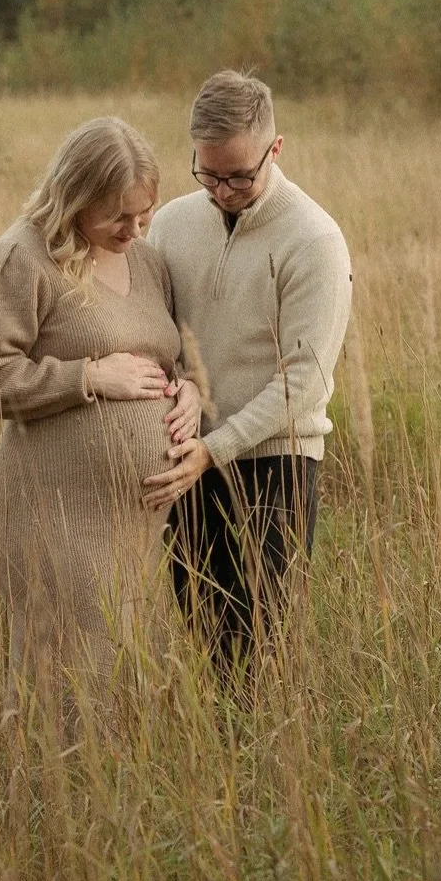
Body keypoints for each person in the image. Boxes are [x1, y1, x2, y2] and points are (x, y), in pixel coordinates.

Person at [0, 116, 201, 722]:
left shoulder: (146, 262)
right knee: (64, 688)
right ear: (75, 195)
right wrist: (87, 377)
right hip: (50, 516)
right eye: (119, 215)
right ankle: (41, 802)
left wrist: (190, 390)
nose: (136, 228)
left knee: (116, 679)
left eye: (145, 213)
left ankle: (100, 807)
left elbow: (167, 356)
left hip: (129, 529)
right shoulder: (19, 258)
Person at [142, 71, 353, 666]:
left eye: (239, 174)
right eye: (207, 173)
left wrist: (219, 447)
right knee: (204, 637)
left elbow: (304, 380)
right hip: (186, 462)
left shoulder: (314, 240)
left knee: (255, 648)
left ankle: (261, 755)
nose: (223, 189)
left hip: (275, 466)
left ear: (275, 149)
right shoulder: (171, 224)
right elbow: (158, 336)